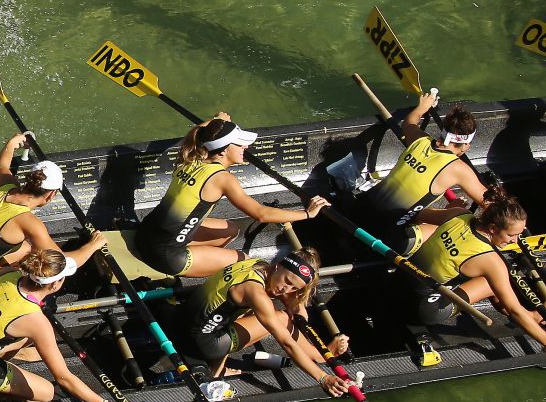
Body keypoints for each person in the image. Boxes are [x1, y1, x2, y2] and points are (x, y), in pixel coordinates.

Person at [133, 114, 329, 278]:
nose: (246, 147)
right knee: (248, 263)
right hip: (165, 255)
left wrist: (215, 120)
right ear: (225, 149)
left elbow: (196, 133)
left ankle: (206, 261)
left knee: (232, 229)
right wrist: (307, 213)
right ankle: (189, 272)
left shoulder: (190, 157)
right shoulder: (222, 178)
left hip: (145, 235)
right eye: (241, 144)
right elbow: (261, 214)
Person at [0, 250, 135, 402]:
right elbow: (64, 378)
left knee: (25, 337)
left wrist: (4, 276)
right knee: (47, 392)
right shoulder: (37, 323)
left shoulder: (11, 273)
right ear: (55, 285)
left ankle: (3, 365)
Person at [171, 248, 350, 395]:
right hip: (205, 342)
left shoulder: (257, 264)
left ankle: (218, 368)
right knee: (280, 318)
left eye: (294, 287)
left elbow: (293, 302)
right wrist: (323, 378)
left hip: (183, 321)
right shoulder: (255, 292)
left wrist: (299, 311)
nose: (285, 289)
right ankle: (318, 355)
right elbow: (286, 343)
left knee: (245, 312)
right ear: (278, 266)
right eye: (287, 281)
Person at [0, 134, 108, 286]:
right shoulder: (29, 223)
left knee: (26, 249)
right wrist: (94, 245)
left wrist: (12, 144)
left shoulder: (6, 186)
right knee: (33, 263)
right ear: (51, 195)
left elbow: (1, 165)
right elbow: (63, 263)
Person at [353, 90, 486, 254]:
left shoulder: (420, 139)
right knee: (459, 218)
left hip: (356, 209)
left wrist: (422, 107)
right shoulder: (458, 169)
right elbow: (488, 202)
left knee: (418, 211)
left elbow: (409, 122)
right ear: (466, 145)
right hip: (385, 236)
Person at [405, 197, 546, 349]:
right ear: (492, 228)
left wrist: (446, 213)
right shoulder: (491, 262)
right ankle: (532, 317)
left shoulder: (458, 214)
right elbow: (514, 311)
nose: (516, 241)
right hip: (426, 308)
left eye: (519, 234)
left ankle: (531, 317)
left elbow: (416, 215)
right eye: (511, 235)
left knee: (490, 277)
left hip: (402, 281)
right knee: (494, 282)